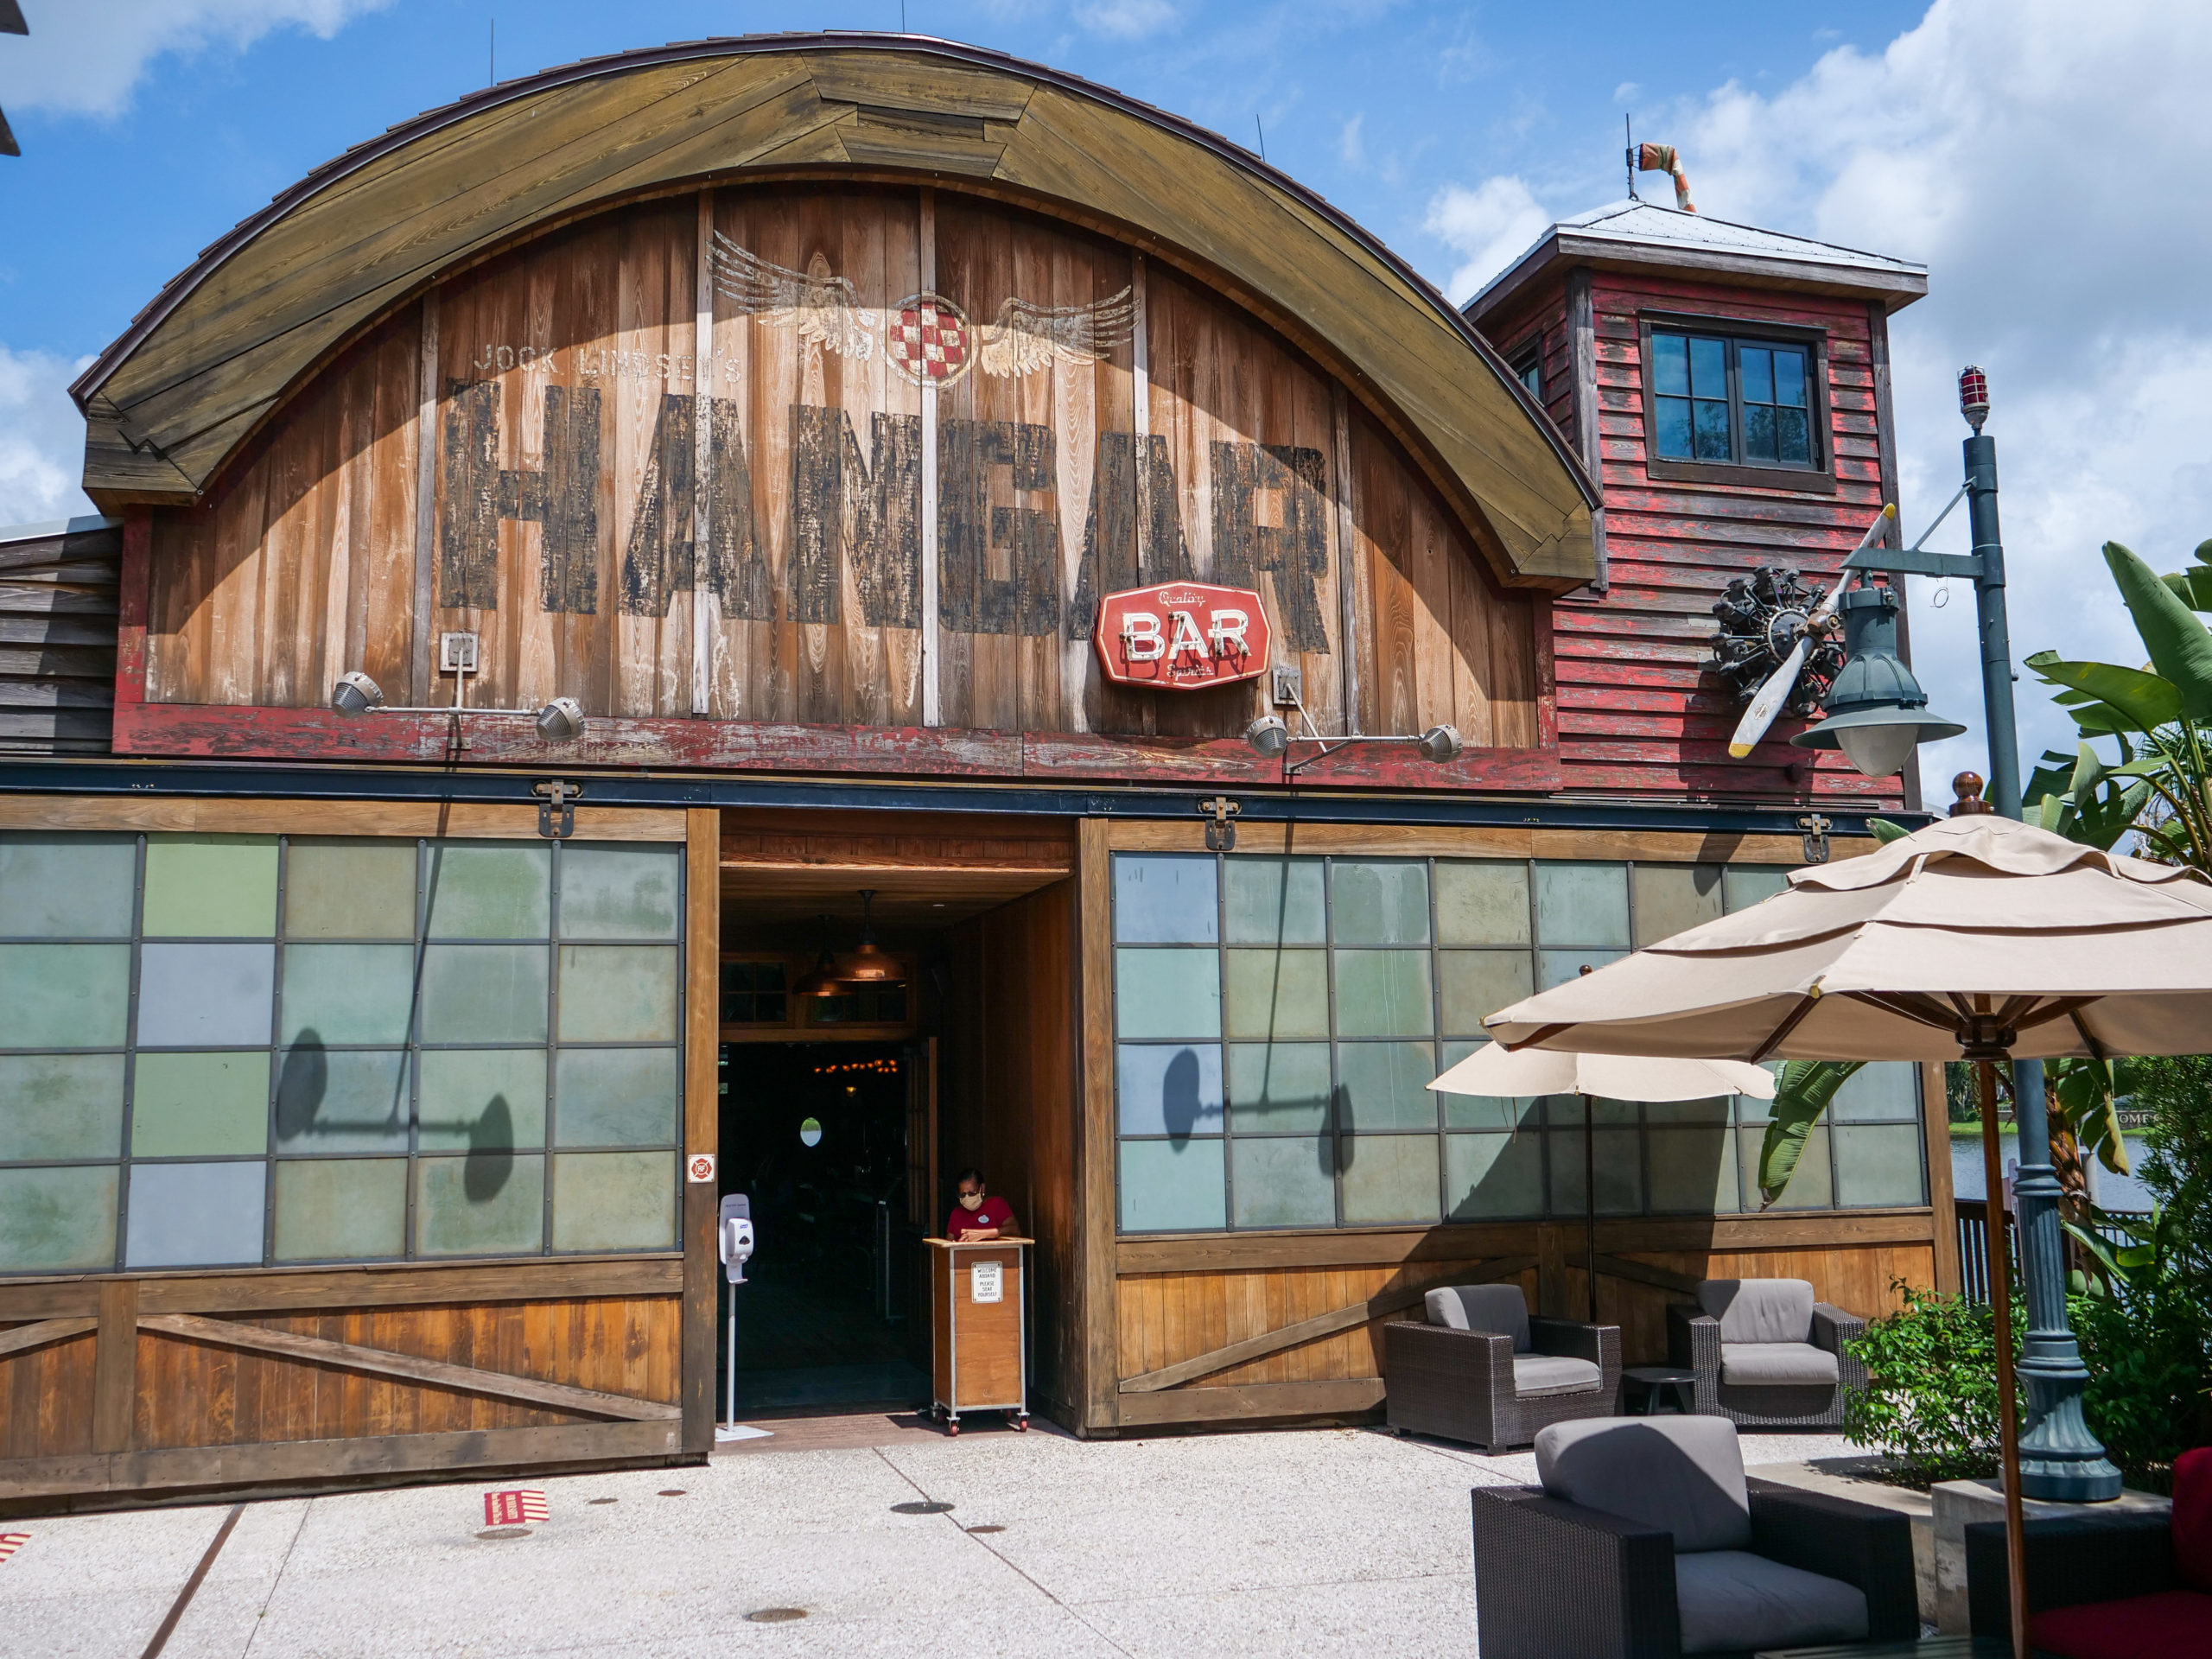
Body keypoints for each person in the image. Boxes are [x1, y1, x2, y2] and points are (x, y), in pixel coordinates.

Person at [946, 1168, 1015, 1242]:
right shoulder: (957, 1213)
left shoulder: (996, 1204)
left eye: (972, 1193)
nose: (967, 1197)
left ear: (982, 1188)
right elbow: (948, 1244)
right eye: (963, 1194)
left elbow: (1014, 1230)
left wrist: (983, 1234)